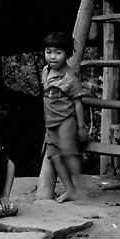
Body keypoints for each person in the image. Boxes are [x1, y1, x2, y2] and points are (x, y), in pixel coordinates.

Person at [41, 31, 88, 203]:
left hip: (66, 121)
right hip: (51, 123)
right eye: (48, 52)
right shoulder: (46, 71)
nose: (52, 57)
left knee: (68, 153)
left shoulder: (70, 78)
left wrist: (82, 128)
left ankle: (80, 187)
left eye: (58, 53)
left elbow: (77, 103)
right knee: (54, 156)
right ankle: (70, 189)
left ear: (67, 54)